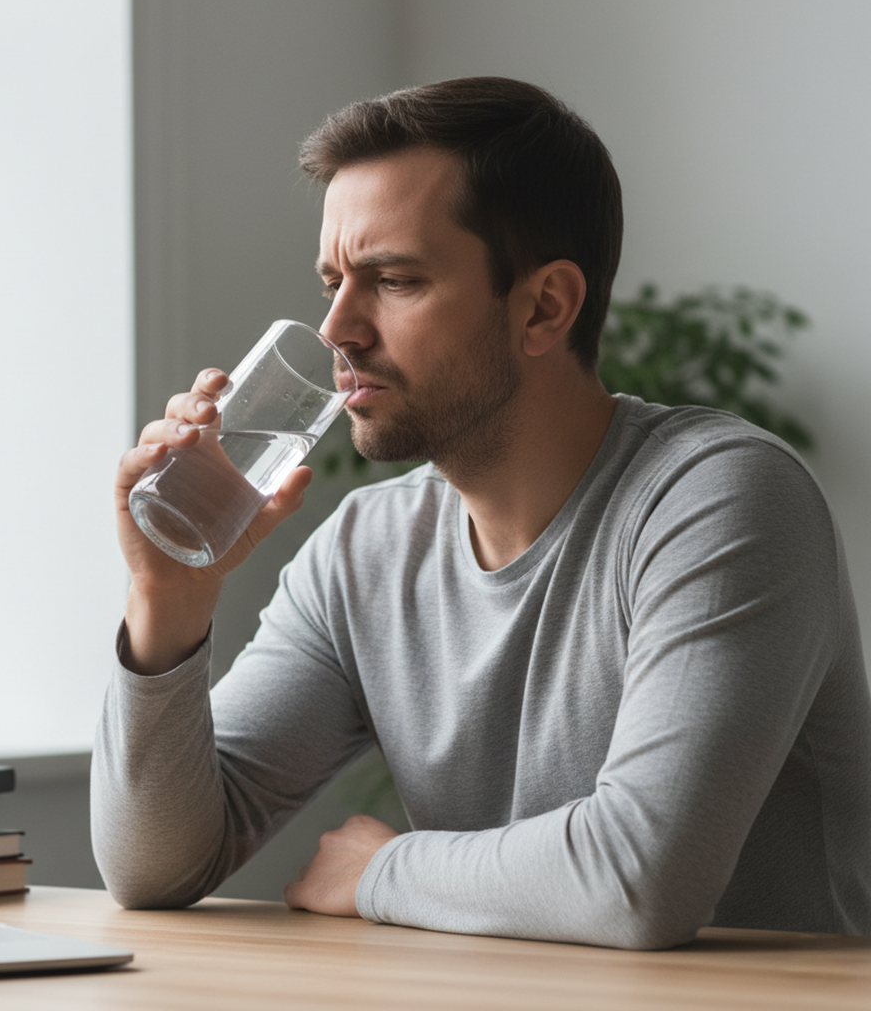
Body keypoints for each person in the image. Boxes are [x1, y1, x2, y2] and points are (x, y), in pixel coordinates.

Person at [92, 77, 871, 950]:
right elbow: (153, 867)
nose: (338, 330)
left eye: (392, 280)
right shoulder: (365, 552)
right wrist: (168, 599)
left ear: (544, 307)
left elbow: (640, 879)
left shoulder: (720, 501)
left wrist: (381, 872)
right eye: (332, 283)